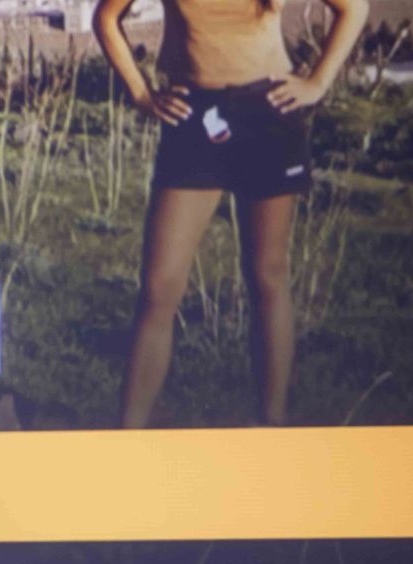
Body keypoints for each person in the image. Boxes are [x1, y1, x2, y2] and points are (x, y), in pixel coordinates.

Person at [93, 0, 368, 427]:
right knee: (159, 287)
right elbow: (106, 18)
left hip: (268, 112)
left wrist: (317, 82)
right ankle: (128, 438)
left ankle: (271, 428)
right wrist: (141, 94)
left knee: (267, 275)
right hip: (193, 115)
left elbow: (354, 8)